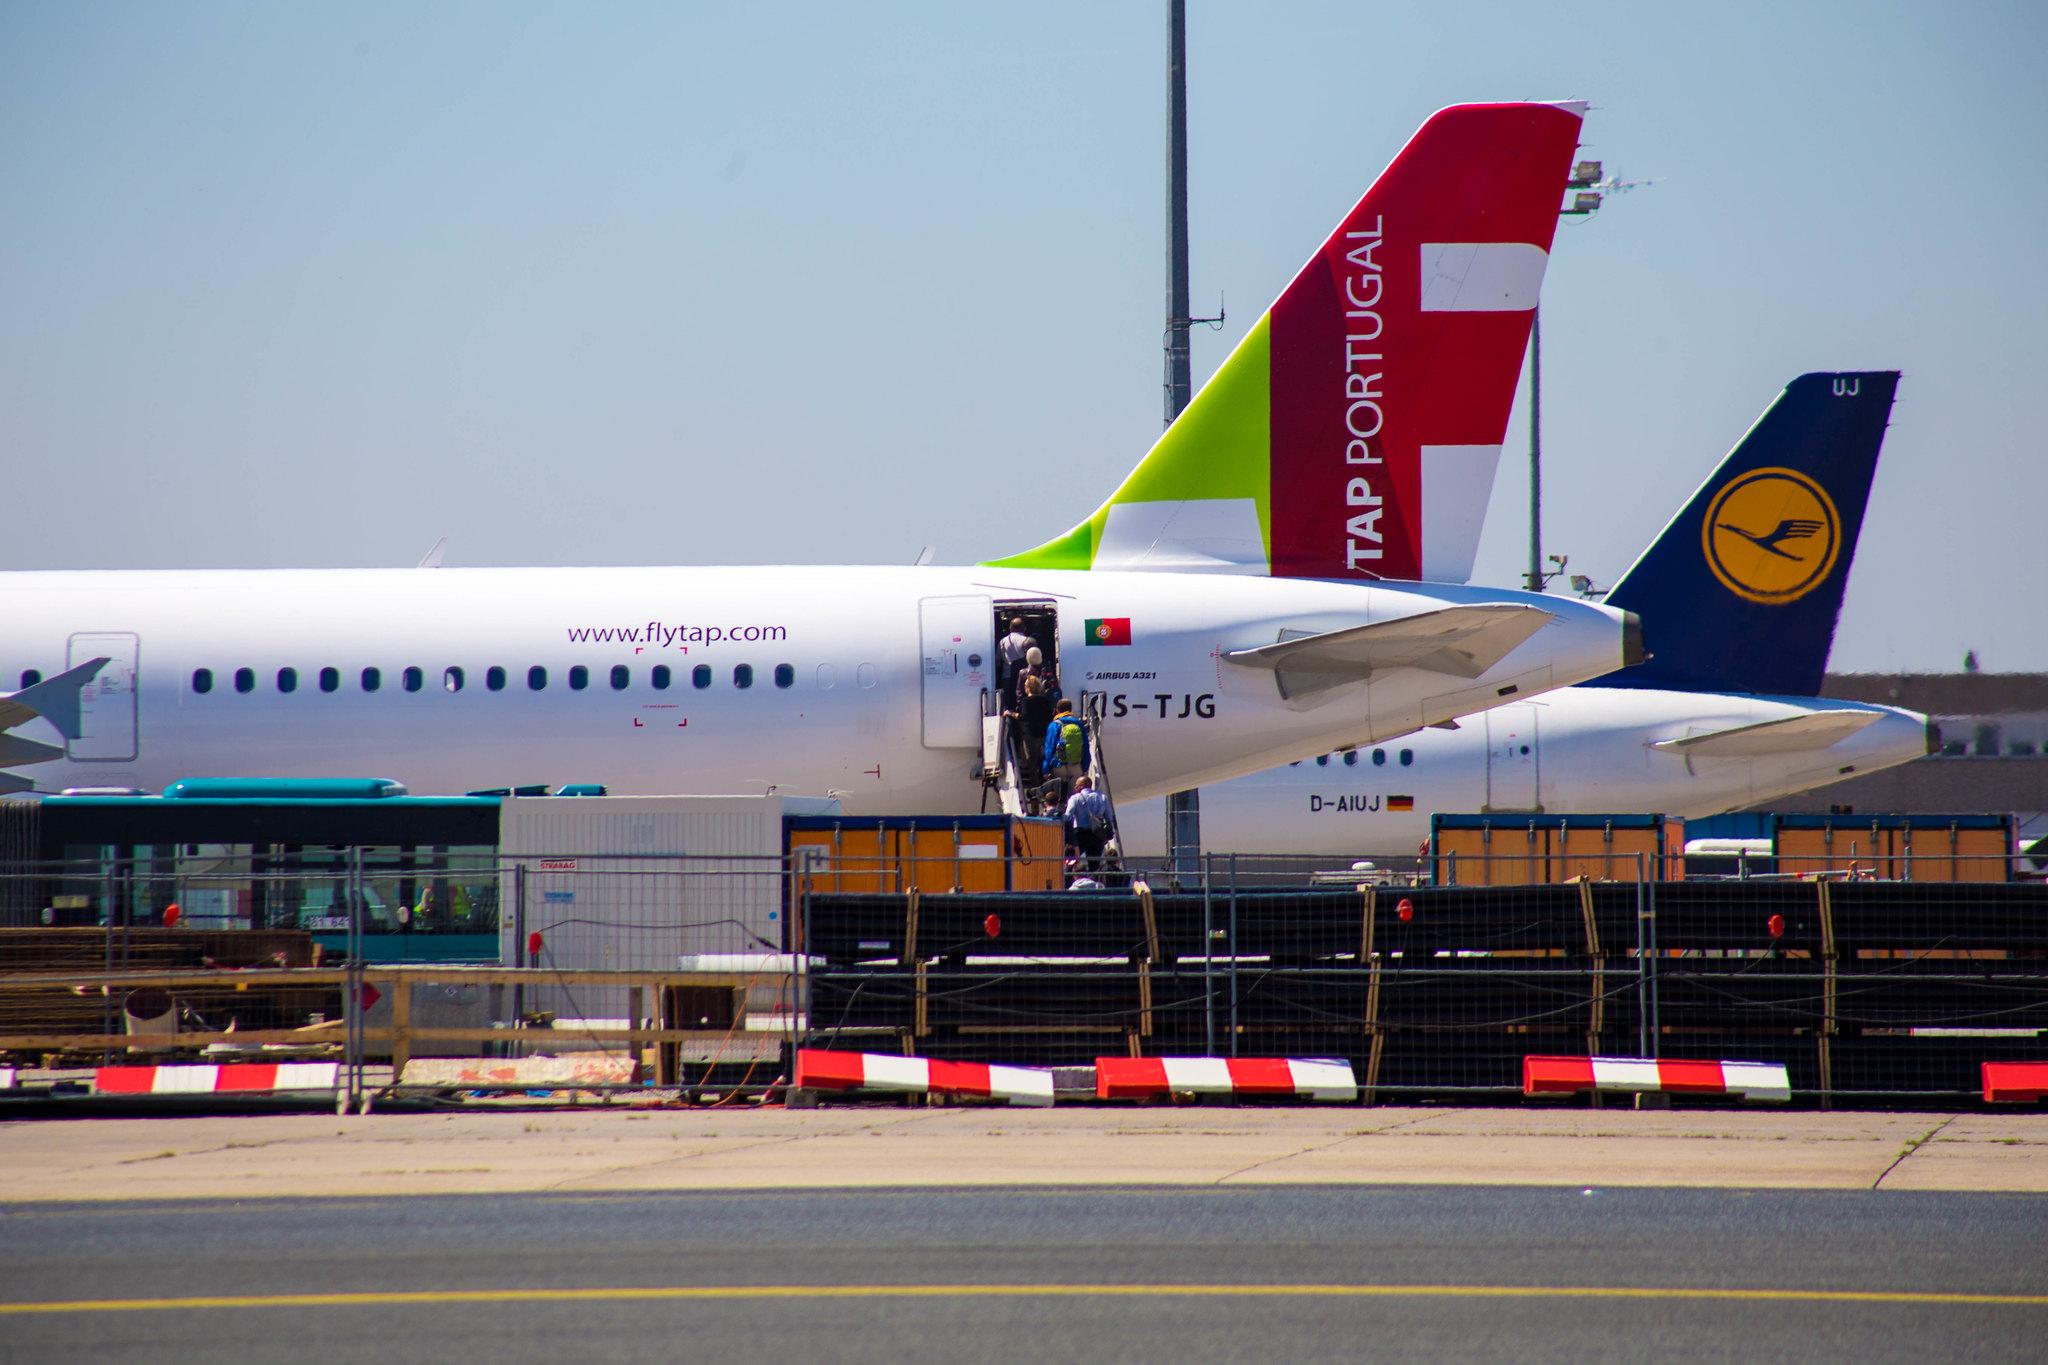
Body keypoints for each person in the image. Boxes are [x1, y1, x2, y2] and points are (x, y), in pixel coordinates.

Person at [1007, 672, 1055, 791]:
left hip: (1031, 735)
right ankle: (1047, 785)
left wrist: (1010, 713)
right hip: (1044, 734)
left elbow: (1024, 717)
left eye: (1025, 685)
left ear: (1028, 687)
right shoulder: (1046, 701)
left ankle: (1036, 788)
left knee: (1032, 762)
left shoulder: (1026, 701)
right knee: (1044, 759)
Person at [1063, 776, 1115, 876]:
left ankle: (1070, 883)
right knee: (1094, 865)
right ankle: (1092, 886)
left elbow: (1068, 817)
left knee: (1071, 861)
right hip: (1097, 834)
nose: (1075, 787)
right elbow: (1109, 817)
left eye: (1076, 785)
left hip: (1080, 834)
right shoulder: (1102, 797)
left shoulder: (1075, 798)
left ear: (1082, 786)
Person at [1042, 698, 1089, 801]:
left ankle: (1061, 812)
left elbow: (1049, 748)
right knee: (1075, 797)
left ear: (1057, 710)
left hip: (1059, 766)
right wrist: (1085, 767)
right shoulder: (1079, 724)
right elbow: (1085, 746)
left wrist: (1046, 769)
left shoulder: (1054, 725)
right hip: (1076, 765)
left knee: (1059, 796)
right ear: (1070, 709)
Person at [998, 616, 1036, 687]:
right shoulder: (1028, 641)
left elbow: (998, 662)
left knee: (1008, 697)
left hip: (1007, 677)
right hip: (1025, 678)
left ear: (1010, 628)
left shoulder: (1002, 642)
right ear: (1024, 628)